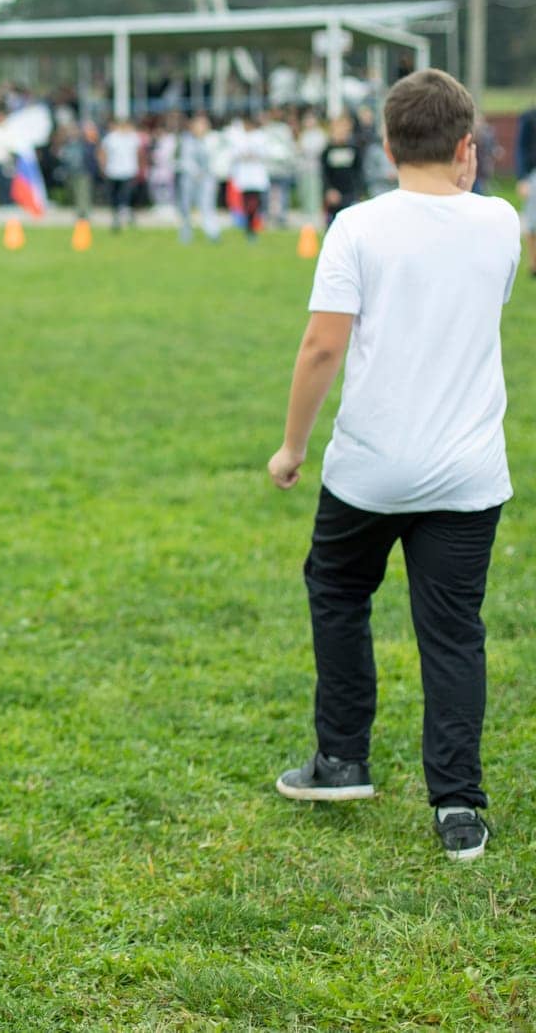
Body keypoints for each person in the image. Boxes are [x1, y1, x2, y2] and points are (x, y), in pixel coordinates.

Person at [267, 69, 522, 862]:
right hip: (468, 472)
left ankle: (341, 757)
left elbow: (322, 346)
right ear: (466, 148)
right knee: (453, 633)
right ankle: (458, 805)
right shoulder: (501, 222)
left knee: (338, 589)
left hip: (371, 468)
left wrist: (292, 446)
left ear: (383, 145)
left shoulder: (357, 227)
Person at [175, 114, 220, 244]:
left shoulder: (211, 140)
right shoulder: (186, 140)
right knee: (185, 207)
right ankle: (185, 234)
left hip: (207, 179)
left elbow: (215, 160)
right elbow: (185, 160)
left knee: (207, 206)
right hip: (189, 179)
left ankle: (213, 233)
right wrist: (196, 173)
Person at [229, 115, 270, 240]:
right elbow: (234, 153)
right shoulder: (239, 137)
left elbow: (265, 152)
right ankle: (249, 226)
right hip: (245, 175)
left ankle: (254, 225)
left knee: (255, 202)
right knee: (246, 202)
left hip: (256, 175)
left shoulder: (260, 137)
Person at [99, 117, 141, 230]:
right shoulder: (111, 138)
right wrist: (103, 167)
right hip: (113, 171)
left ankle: (125, 217)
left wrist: (139, 168)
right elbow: (102, 152)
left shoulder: (133, 137)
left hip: (128, 171)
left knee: (126, 196)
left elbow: (139, 153)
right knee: (115, 196)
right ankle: (117, 217)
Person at [321, 115, 363, 225]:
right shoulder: (327, 151)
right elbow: (324, 174)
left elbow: (359, 172)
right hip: (334, 195)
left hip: (350, 194)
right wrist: (329, 190)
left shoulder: (354, 149)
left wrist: (357, 193)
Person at [516, 98, 535, 277]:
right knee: (532, 222)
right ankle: (533, 263)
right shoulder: (529, 117)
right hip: (533, 174)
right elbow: (521, 148)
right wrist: (522, 178)